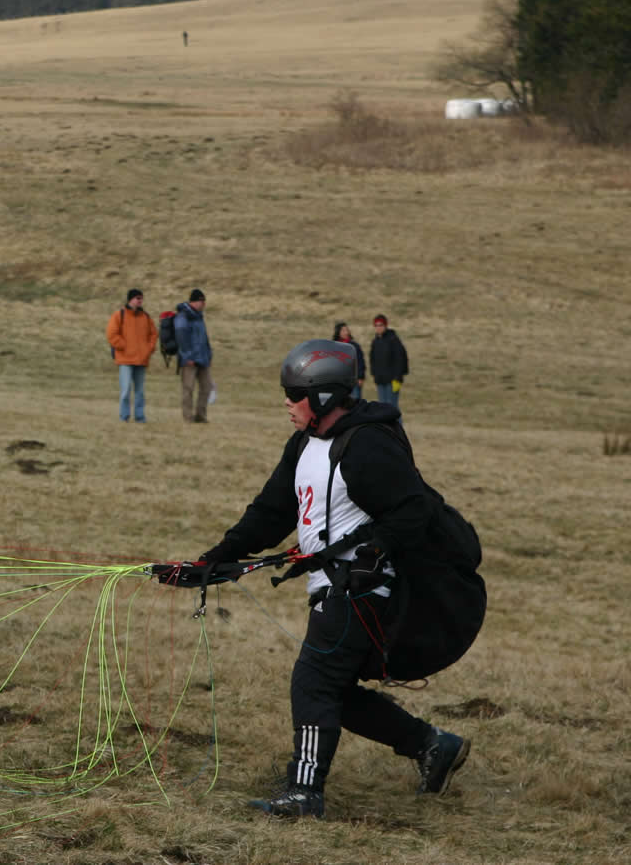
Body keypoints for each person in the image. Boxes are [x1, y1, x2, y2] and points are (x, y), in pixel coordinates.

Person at [155, 339, 469, 818]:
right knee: (334, 690)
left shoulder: (366, 444)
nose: (286, 402)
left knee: (314, 682)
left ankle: (304, 793)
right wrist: (213, 560)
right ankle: (432, 745)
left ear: (323, 397)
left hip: (363, 590)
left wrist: (375, 551)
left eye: (294, 394)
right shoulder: (305, 443)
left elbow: (414, 509)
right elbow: (271, 512)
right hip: (333, 586)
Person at [106, 288, 157, 423]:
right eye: (137, 298)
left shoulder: (146, 317)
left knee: (140, 391)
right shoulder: (119, 315)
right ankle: (124, 416)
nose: (140, 300)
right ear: (131, 299)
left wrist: (149, 349)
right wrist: (124, 346)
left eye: (141, 298)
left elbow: (153, 334)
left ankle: (140, 417)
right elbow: (112, 334)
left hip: (141, 359)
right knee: (126, 390)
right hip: (125, 359)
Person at [173, 289, 214, 423]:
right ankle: (188, 417)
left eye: (204, 301)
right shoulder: (182, 316)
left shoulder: (199, 316)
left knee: (207, 387)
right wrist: (187, 356)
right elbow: (181, 337)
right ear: (193, 301)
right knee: (188, 389)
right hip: (189, 361)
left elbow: (204, 338)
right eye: (201, 301)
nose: (203, 304)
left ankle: (201, 416)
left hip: (202, 358)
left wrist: (208, 355)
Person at [369, 315, 409, 410]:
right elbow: (372, 359)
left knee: (392, 407)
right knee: (382, 406)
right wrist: (374, 373)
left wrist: (398, 376)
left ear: (385, 325)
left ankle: (396, 421)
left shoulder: (393, 340)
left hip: (393, 380)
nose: (378, 327)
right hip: (380, 379)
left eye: (381, 325)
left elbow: (400, 358)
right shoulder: (375, 341)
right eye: (376, 325)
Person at [332, 322, 366, 400]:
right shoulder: (333, 346)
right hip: (338, 381)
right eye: (343, 330)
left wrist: (360, 377)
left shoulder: (354, 346)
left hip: (353, 380)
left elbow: (360, 362)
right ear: (338, 332)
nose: (346, 332)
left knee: (355, 401)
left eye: (347, 330)